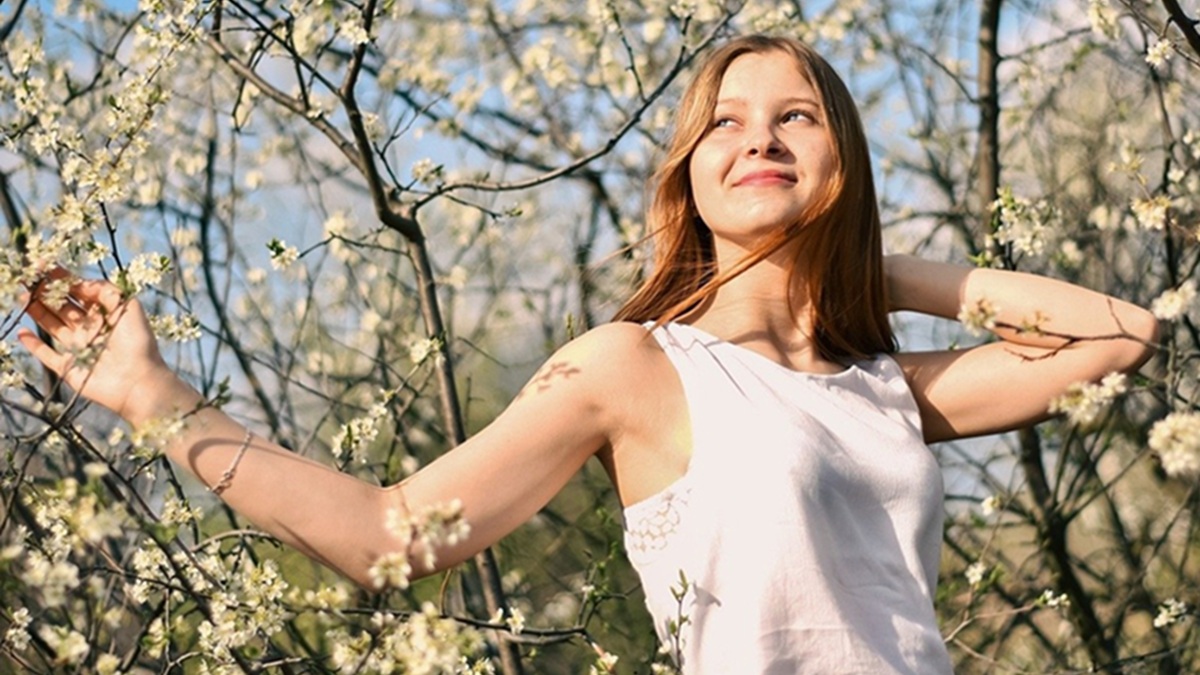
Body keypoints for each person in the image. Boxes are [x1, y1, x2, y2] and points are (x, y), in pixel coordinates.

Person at [19, 35, 1158, 674]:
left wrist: (865, 260)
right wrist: (154, 396)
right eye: (724, 119)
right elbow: (391, 537)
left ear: (841, 162)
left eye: (797, 116)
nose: (759, 134)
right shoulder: (635, 367)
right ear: (690, 173)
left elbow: (1122, 333)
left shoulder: (884, 390)